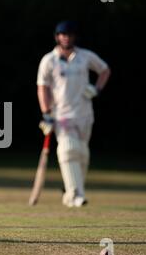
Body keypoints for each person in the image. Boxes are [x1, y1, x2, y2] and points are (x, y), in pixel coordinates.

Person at [36, 21, 110, 207]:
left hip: (84, 114)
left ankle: (70, 193)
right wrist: (46, 113)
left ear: (74, 36)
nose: (66, 37)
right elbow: (42, 88)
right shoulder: (49, 60)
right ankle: (76, 194)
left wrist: (97, 89)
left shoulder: (84, 56)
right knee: (67, 149)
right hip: (61, 114)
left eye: (69, 34)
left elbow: (104, 70)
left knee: (82, 153)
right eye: (62, 34)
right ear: (57, 37)